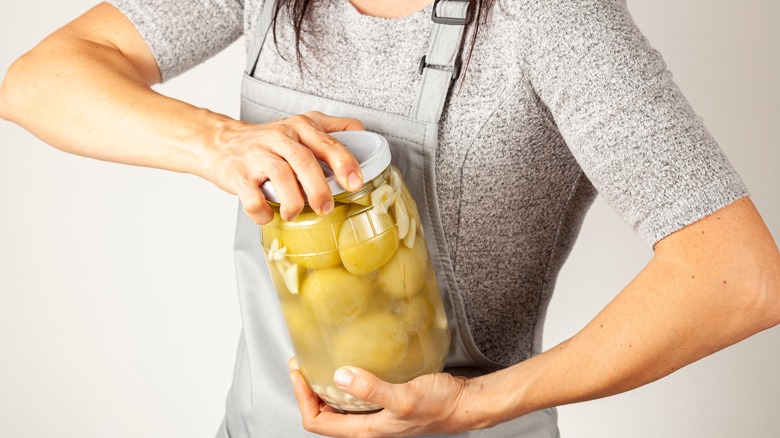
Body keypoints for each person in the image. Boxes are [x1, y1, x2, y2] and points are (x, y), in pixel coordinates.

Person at [1, 0, 778, 436]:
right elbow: (36, 80)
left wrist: (476, 404)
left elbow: (739, 276)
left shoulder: (556, 19)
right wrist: (219, 143)